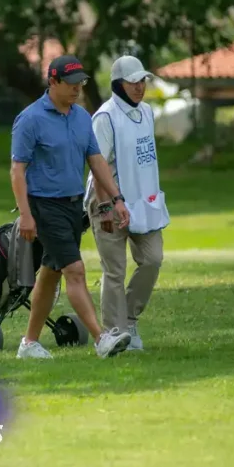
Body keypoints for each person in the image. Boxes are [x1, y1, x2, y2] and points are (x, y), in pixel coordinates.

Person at [10, 54, 134, 360]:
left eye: (81, 82)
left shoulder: (81, 117)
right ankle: (101, 339)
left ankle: (29, 343)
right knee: (74, 270)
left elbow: (96, 161)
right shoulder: (30, 119)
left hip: (73, 205)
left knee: (51, 272)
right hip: (44, 206)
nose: (78, 88)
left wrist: (116, 199)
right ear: (53, 82)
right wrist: (25, 215)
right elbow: (17, 171)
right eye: (71, 83)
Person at [83, 55, 168, 351]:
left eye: (142, 81)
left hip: (143, 201)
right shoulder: (105, 117)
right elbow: (97, 165)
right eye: (133, 82)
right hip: (107, 201)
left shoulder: (147, 112)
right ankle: (115, 333)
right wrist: (106, 207)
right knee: (115, 270)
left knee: (153, 259)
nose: (139, 87)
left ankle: (129, 318)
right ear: (118, 84)